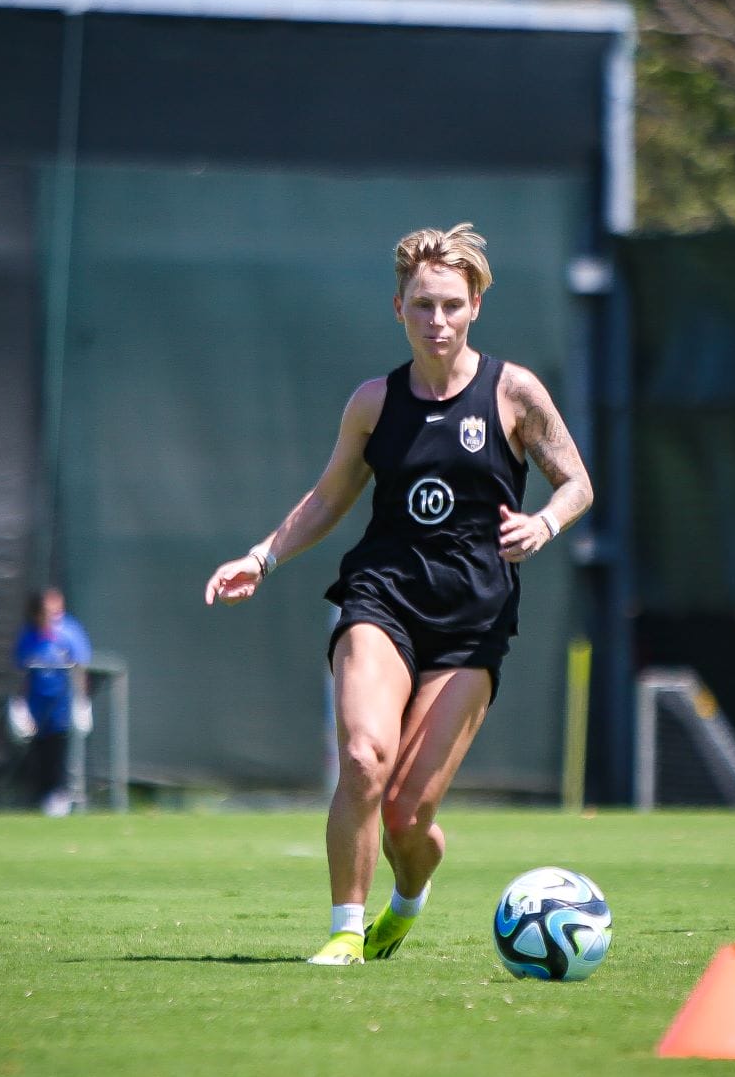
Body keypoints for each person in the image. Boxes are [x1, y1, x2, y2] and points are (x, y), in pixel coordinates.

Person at [205, 222, 593, 964]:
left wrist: (544, 523)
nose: (437, 320)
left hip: (474, 622)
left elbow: (577, 482)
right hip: (380, 598)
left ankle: (407, 899)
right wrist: (263, 555)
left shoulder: (512, 392)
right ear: (398, 309)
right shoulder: (374, 402)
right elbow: (327, 499)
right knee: (362, 755)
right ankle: (345, 930)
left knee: (407, 815)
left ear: (476, 303)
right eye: (422, 305)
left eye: (450, 303)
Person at [12, 588, 92, 816]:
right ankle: (42, 797)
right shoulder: (29, 635)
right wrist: (20, 706)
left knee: (62, 750)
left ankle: (61, 796)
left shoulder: (69, 630)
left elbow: (81, 666)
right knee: (40, 752)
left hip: (63, 705)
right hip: (37, 706)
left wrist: (82, 700)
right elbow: (21, 671)